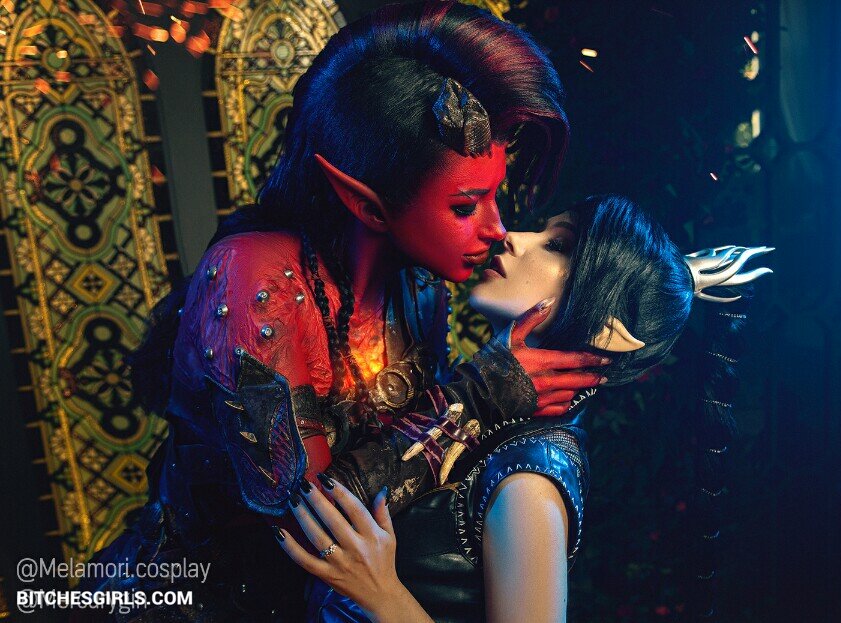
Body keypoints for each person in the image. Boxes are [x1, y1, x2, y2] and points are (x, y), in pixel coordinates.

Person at [80, 2, 608, 621]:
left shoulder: (420, 289)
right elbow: (313, 530)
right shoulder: (258, 278)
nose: (497, 229)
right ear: (367, 204)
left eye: (495, 195)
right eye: (466, 207)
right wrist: (481, 396)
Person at [275, 195, 774, 622]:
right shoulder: (498, 424)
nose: (511, 237)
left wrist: (382, 595)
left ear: (608, 330)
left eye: (557, 245)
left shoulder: (530, 481)